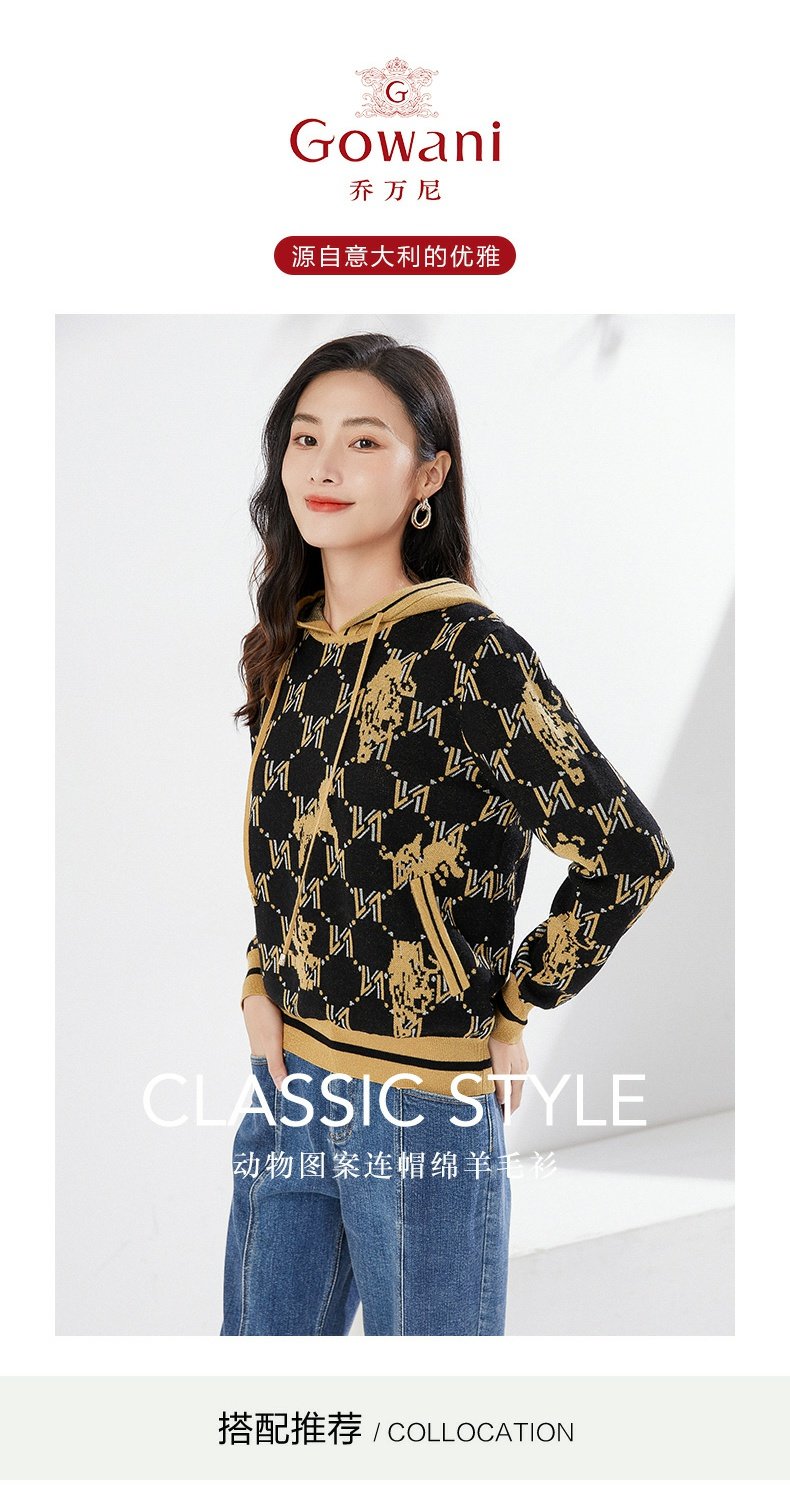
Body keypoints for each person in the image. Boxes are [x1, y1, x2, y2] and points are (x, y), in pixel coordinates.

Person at [220, 331, 675, 1337]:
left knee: (432, 1405)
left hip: (421, 1102)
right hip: (289, 1088)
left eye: (364, 441)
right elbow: (291, 850)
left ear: (428, 474)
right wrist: (259, 980)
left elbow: (628, 854)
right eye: (305, 438)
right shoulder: (290, 643)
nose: (325, 466)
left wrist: (514, 1005)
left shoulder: (472, 655)